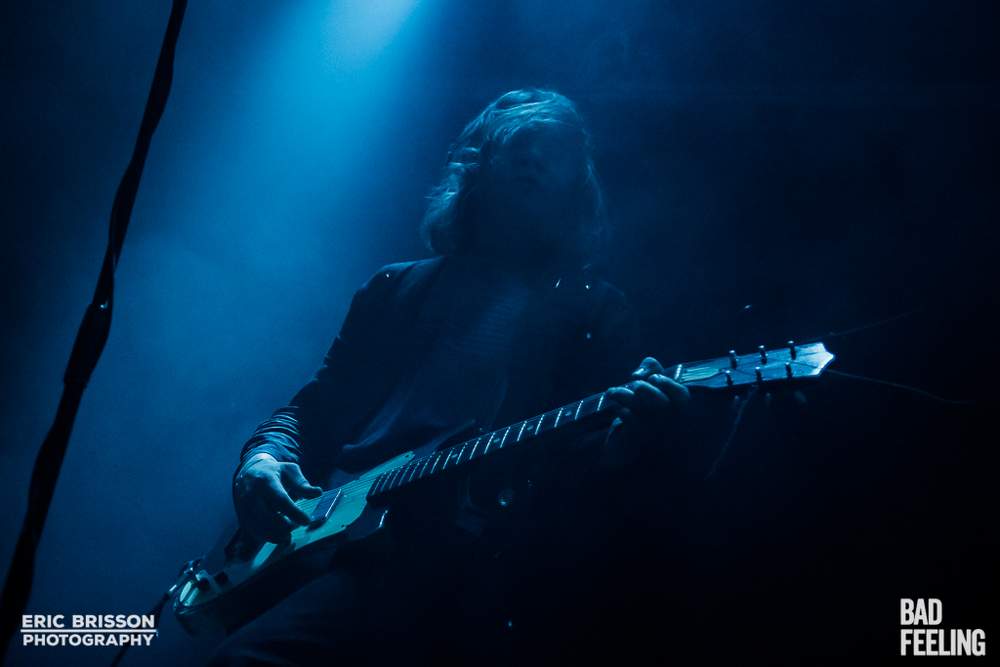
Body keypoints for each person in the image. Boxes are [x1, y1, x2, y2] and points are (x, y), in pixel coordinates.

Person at [209, 88, 692, 665]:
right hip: (325, 538)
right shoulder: (394, 289)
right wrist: (260, 459)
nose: (537, 159)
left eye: (558, 152)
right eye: (522, 142)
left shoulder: (593, 313)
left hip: (450, 567)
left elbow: (582, 473)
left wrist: (625, 446)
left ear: (575, 191)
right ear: (477, 160)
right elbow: (314, 409)